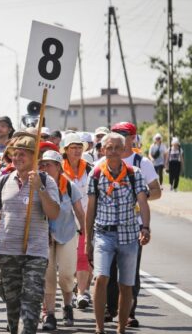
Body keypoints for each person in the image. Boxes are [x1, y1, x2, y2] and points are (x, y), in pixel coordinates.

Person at [0, 132, 60, 334]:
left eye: (23, 154)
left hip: (35, 253)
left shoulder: (47, 182)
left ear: (35, 158)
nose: (17, 158)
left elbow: (54, 213)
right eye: (15, 154)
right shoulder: (4, 181)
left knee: (31, 303)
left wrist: (40, 189)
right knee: (12, 307)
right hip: (7, 252)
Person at [85, 132, 151, 334]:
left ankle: (121, 328)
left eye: (117, 148)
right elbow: (90, 210)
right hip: (104, 234)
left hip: (129, 236)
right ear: (103, 150)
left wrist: (145, 227)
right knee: (101, 277)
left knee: (126, 285)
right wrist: (88, 241)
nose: (113, 152)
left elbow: (142, 201)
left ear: (123, 151)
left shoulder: (134, 173)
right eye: (109, 148)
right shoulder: (95, 174)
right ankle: (99, 328)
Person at [103, 122, 161, 327]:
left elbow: (157, 190)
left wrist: (139, 198)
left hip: (133, 224)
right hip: (107, 224)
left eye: (124, 134)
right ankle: (110, 309)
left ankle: (128, 313)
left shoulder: (141, 162)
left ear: (133, 138)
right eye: (116, 133)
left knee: (130, 271)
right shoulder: (104, 161)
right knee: (107, 270)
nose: (119, 137)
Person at [39, 150, 85, 330]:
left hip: (67, 234)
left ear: (58, 167)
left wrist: (86, 235)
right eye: (42, 164)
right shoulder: (38, 185)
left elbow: (80, 212)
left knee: (66, 274)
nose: (44, 168)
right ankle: (50, 315)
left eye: (48, 164)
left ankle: (67, 306)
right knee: (48, 276)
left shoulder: (70, 186)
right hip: (44, 237)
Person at [61, 132, 93, 310]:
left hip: (85, 220)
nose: (77, 151)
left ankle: (81, 293)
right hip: (64, 223)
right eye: (73, 148)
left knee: (83, 257)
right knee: (66, 261)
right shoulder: (58, 169)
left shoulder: (89, 169)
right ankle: (70, 290)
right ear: (66, 150)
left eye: (79, 147)